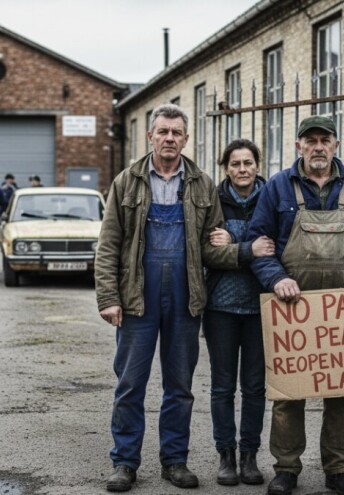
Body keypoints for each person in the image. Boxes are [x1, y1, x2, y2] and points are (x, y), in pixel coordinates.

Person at [95, 104, 238, 492]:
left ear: (186, 139)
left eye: (176, 133)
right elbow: (108, 246)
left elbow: (212, 244)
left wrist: (238, 247)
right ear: (150, 136)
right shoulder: (127, 182)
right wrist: (108, 297)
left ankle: (174, 460)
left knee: (180, 387)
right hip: (136, 298)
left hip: (185, 297)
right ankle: (125, 462)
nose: (169, 138)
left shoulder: (202, 184)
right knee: (130, 384)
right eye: (163, 132)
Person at [246, 115, 344, 495]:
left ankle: (338, 470)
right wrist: (278, 279)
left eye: (325, 140)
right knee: (288, 394)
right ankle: (286, 469)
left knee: (343, 393)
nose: (318, 147)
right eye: (311, 141)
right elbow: (260, 246)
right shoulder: (278, 186)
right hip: (293, 308)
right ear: (299, 146)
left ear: (336, 145)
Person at [203, 139, 275, 486]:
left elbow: (277, 248)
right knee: (222, 387)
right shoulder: (211, 201)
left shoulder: (273, 198)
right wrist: (247, 250)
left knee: (255, 387)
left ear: (257, 166)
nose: (242, 169)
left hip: (263, 307)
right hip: (221, 308)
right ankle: (226, 456)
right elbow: (205, 253)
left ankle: (249, 456)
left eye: (248, 163)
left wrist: (232, 245)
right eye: (235, 164)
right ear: (226, 168)